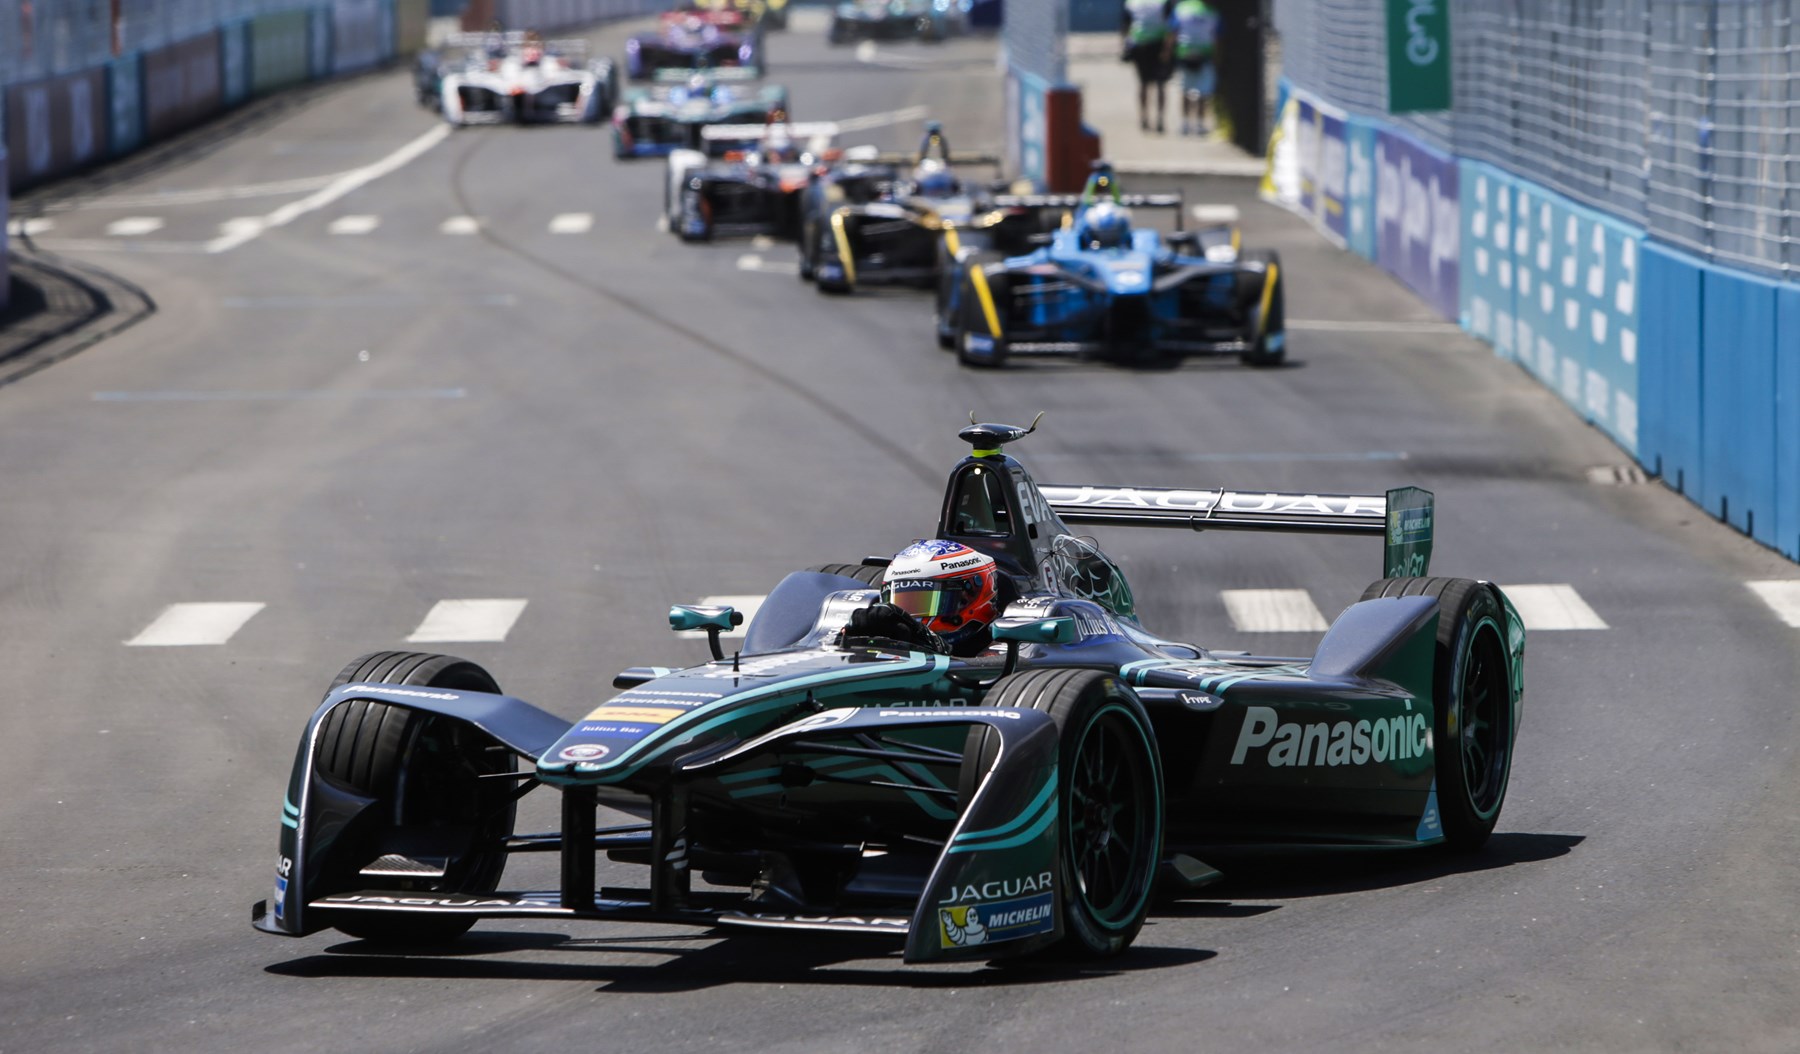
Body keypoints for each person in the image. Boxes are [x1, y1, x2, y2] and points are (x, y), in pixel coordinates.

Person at [844, 541, 1002, 657]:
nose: (910, 618)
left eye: (926, 601)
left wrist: (929, 644)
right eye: (904, 603)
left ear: (973, 596)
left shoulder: (1006, 649)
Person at [1121, 0, 1173, 133]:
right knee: (1160, 84)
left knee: (1143, 84)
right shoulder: (1163, 2)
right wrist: (1167, 50)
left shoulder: (1132, 3)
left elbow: (1125, 25)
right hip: (1158, 45)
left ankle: (1144, 118)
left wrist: (1125, 46)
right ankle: (1159, 119)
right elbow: (1170, 26)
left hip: (1140, 45)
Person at [1170, 0, 1218, 136]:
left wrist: (1168, 53)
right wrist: (1216, 57)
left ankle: (1185, 124)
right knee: (1203, 92)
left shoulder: (1181, 8)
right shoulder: (1211, 10)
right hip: (1205, 55)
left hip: (1184, 54)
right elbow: (1216, 37)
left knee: (1185, 90)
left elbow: (1173, 32)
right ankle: (1199, 124)